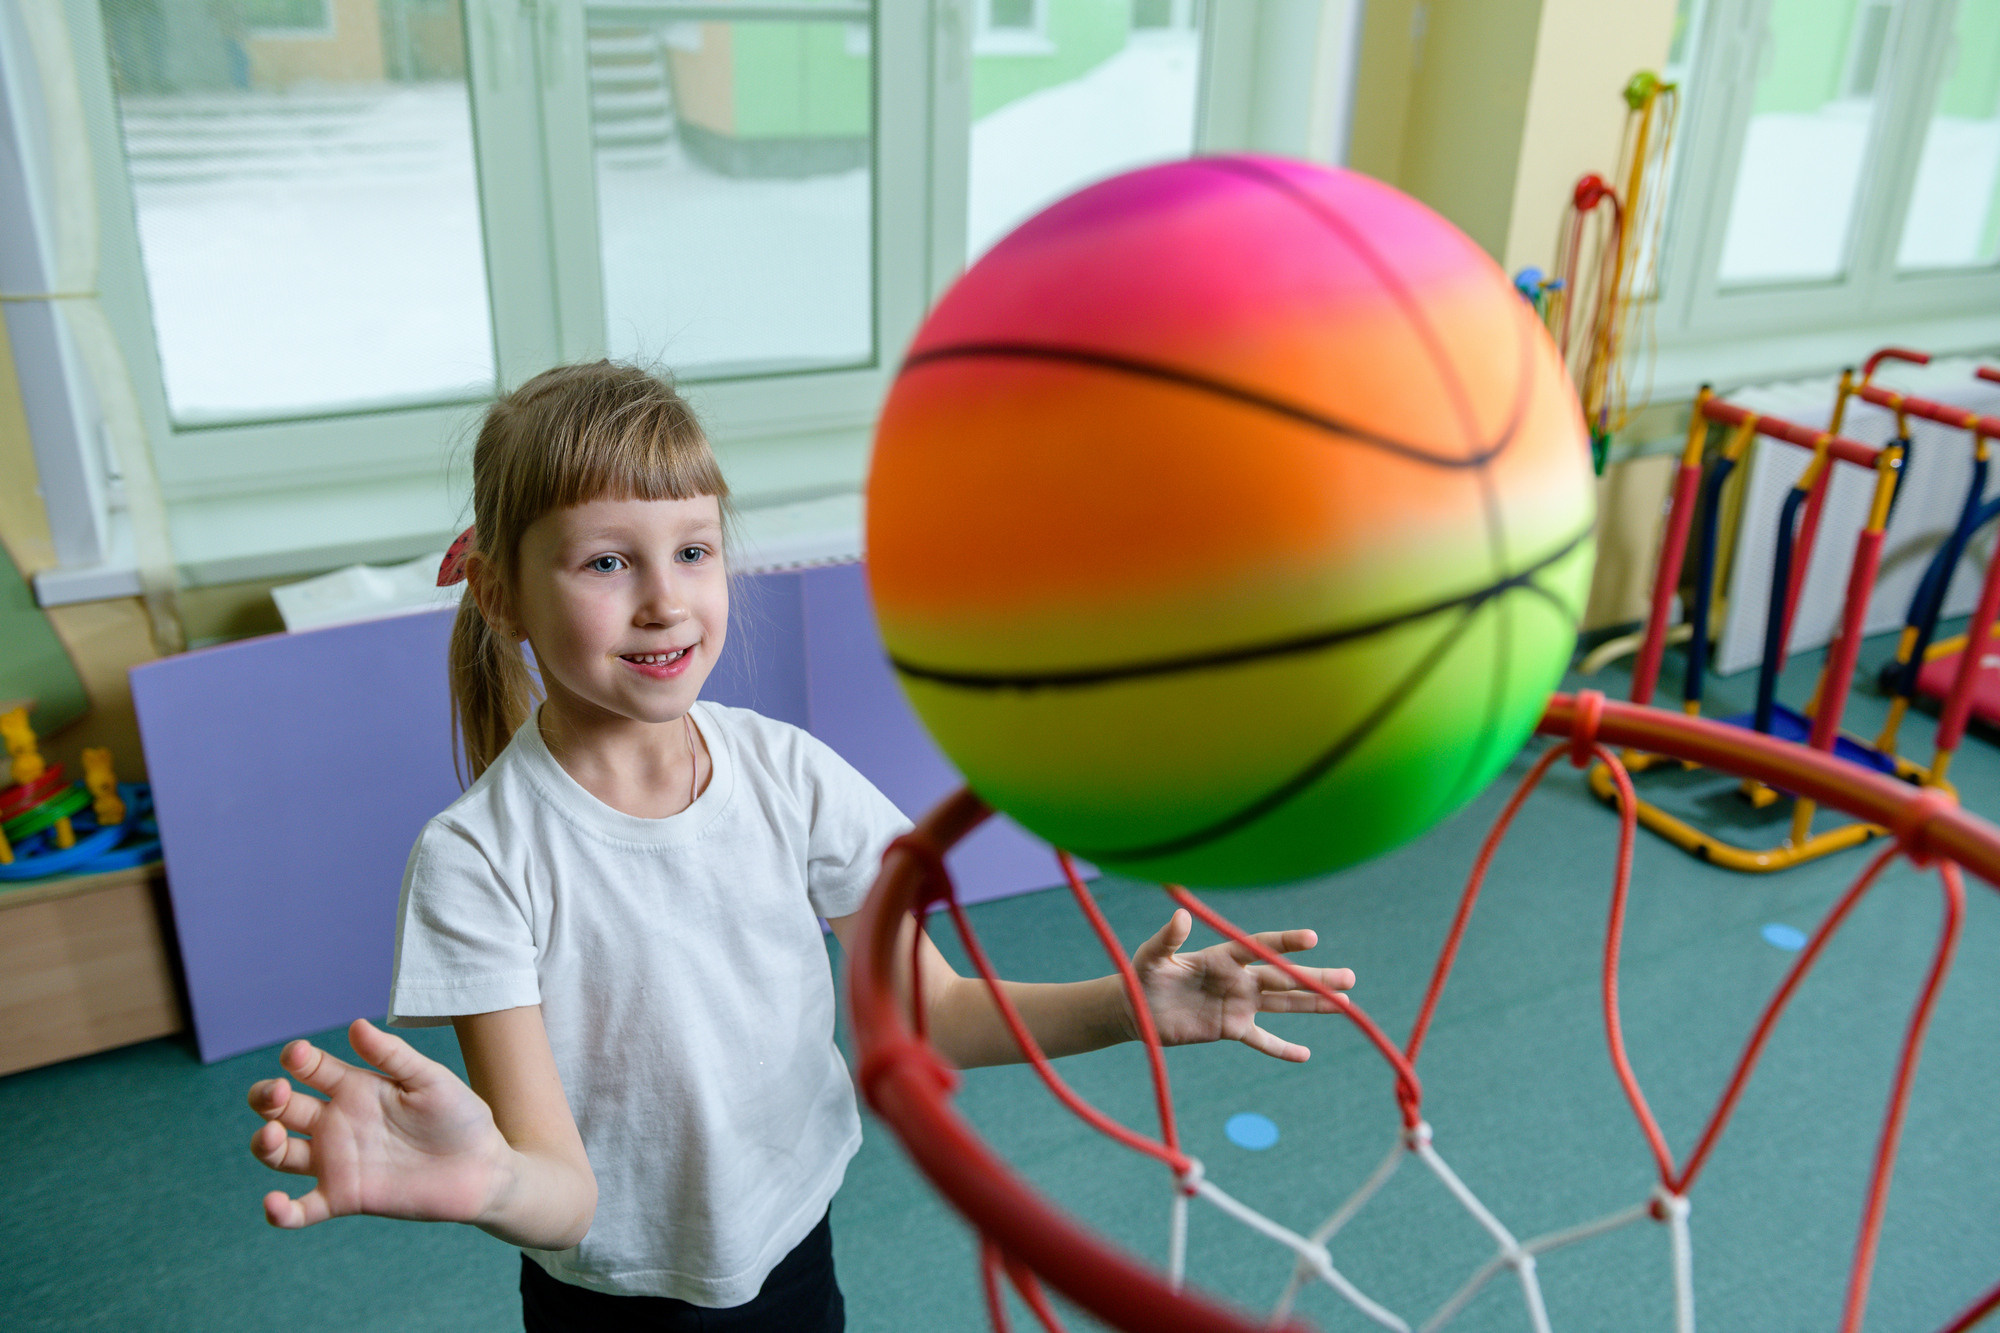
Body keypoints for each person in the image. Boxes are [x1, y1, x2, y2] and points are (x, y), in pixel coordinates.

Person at [244, 361, 1355, 1331]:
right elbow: (563, 1196)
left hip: (790, 1254)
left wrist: (1130, 1007)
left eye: (692, 549)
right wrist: (488, 1177)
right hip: (607, 1304)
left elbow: (930, 1010)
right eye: (603, 563)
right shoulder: (476, 859)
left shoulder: (790, 776)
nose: (664, 601)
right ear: (499, 589)